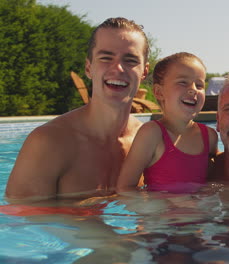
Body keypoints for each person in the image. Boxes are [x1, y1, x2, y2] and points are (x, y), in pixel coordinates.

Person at [6, 17, 150, 200]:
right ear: (89, 68)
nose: (118, 68)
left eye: (130, 60)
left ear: (144, 72)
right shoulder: (49, 142)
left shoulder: (149, 142)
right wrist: (95, 228)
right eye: (106, 58)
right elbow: (22, 215)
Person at [117, 52, 218, 192]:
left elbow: (217, 182)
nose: (193, 90)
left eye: (199, 85)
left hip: (200, 213)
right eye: (183, 82)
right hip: (161, 213)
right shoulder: (152, 134)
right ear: (159, 92)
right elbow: (125, 188)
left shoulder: (209, 136)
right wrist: (166, 203)